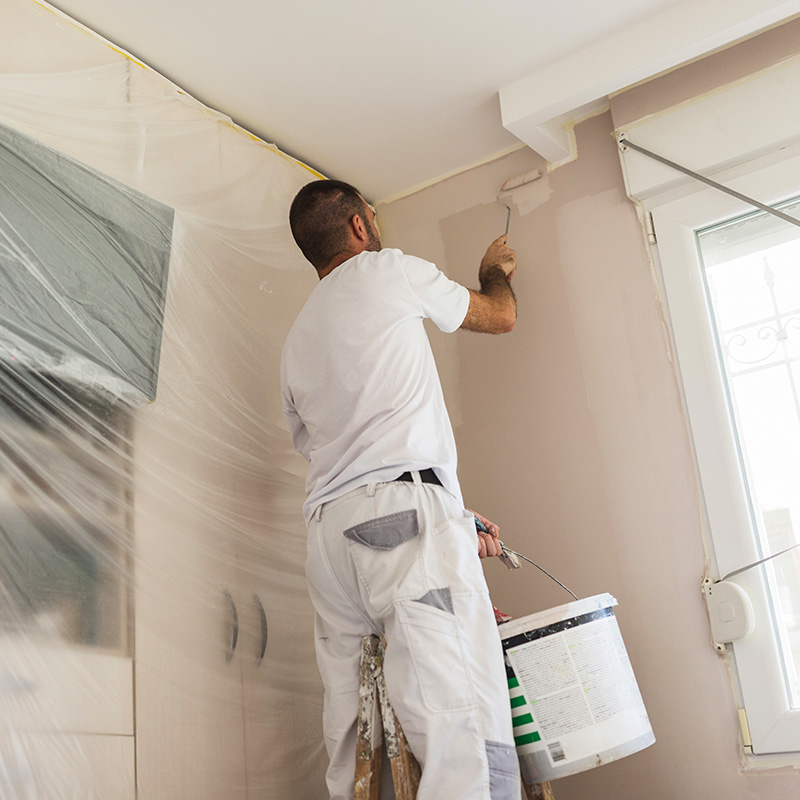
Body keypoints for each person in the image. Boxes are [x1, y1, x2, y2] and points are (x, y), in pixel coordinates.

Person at [281, 179, 520, 800]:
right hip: (401, 517)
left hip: (330, 541)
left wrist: (447, 517)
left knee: (356, 728)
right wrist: (495, 272)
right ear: (360, 226)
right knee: (456, 711)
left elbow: (336, 450)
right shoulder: (388, 271)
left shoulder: (299, 337)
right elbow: (501, 318)